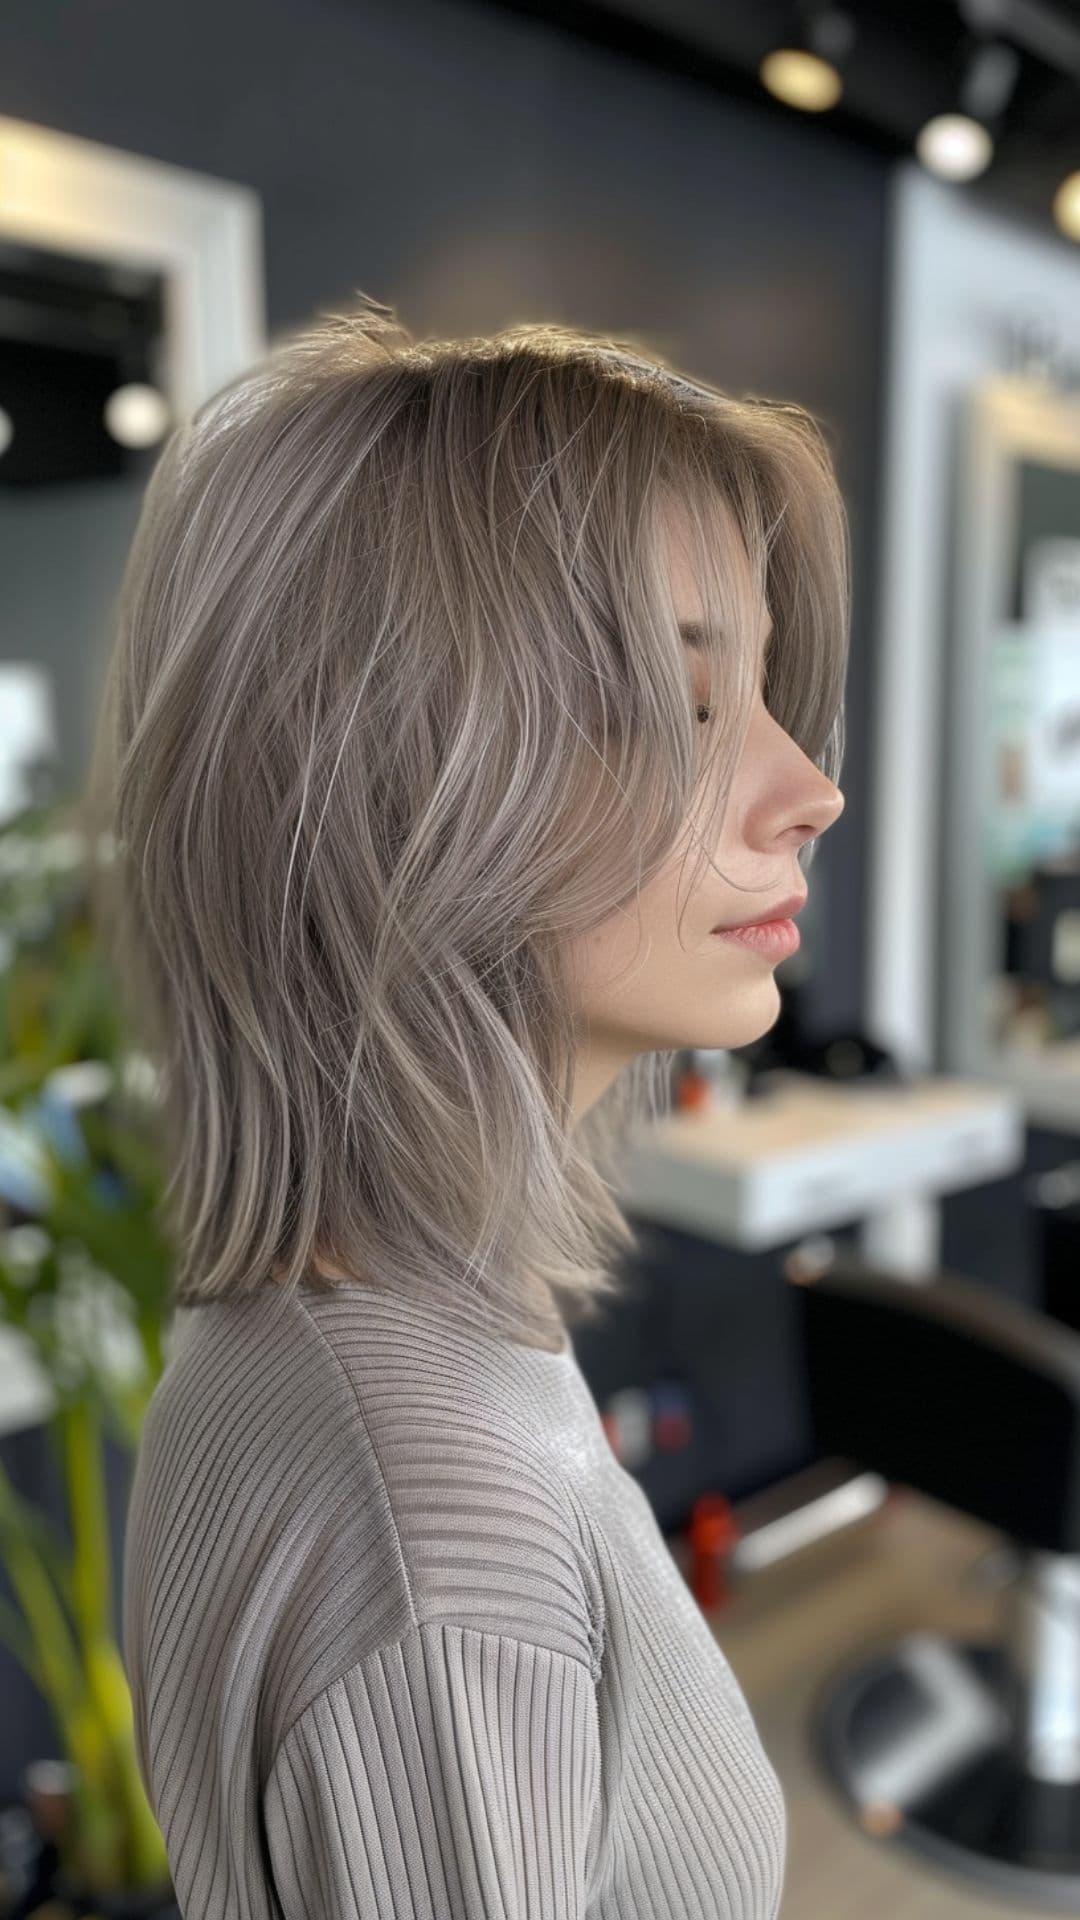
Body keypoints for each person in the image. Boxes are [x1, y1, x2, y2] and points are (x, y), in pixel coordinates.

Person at [88, 293, 848, 1919]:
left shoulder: (334, 1325)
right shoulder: (433, 1549)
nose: (808, 787)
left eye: (765, 692)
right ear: (395, 772)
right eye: (691, 704)